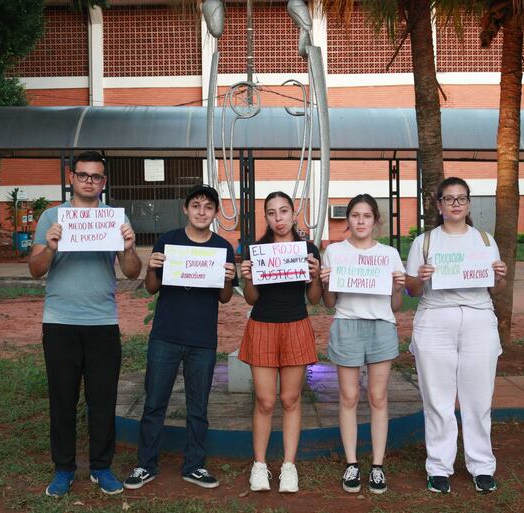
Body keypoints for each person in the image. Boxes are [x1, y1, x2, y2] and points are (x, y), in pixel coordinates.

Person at [29, 150, 142, 497]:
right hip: (60, 322)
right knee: (62, 399)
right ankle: (63, 469)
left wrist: (128, 247)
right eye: (83, 175)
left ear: (103, 182)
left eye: (96, 176)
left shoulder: (114, 219)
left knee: (102, 399)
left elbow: (132, 272)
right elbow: (35, 269)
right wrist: (49, 247)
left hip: (102, 322)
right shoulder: (52, 217)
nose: (89, 181)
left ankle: (101, 467)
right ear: (71, 177)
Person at [123, 185, 237, 490]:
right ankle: (145, 465)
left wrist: (228, 279)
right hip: (166, 335)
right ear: (185, 209)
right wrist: (151, 268)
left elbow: (225, 298)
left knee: (198, 407)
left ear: (215, 213)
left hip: (202, 339)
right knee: (155, 402)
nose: (202, 211)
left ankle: (194, 465)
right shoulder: (168, 241)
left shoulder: (223, 247)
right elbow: (150, 288)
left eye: (208, 207)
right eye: (196, 205)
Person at [404, 177, 508, 495]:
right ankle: (439, 467)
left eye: (461, 198)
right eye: (448, 199)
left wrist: (500, 277)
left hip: (478, 318)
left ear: (469, 203)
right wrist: (420, 278)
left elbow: (495, 288)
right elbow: (410, 289)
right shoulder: (424, 242)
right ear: (438, 205)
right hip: (435, 318)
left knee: (478, 399)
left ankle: (481, 466)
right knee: (438, 399)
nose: (455, 204)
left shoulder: (485, 241)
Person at [320, 194, 405, 495]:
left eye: (366, 216)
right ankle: (352, 463)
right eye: (355, 215)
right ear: (348, 220)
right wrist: (326, 283)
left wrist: (397, 288)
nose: (360, 221)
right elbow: (330, 303)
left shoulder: (390, 254)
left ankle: (378, 466)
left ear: (375, 221)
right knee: (349, 396)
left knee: (378, 396)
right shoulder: (334, 253)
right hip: (347, 324)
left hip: (382, 326)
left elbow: (395, 304)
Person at [239, 191, 322, 493]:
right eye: (272, 213)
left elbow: (314, 301)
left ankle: (289, 466)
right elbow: (251, 298)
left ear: (292, 214)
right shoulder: (257, 250)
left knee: (290, 399)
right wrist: (248, 278)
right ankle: (259, 465)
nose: (278, 218)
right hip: (262, 325)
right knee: (265, 401)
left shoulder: (307, 249)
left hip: (296, 325)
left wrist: (315, 277)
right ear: (266, 217)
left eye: (283, 211)